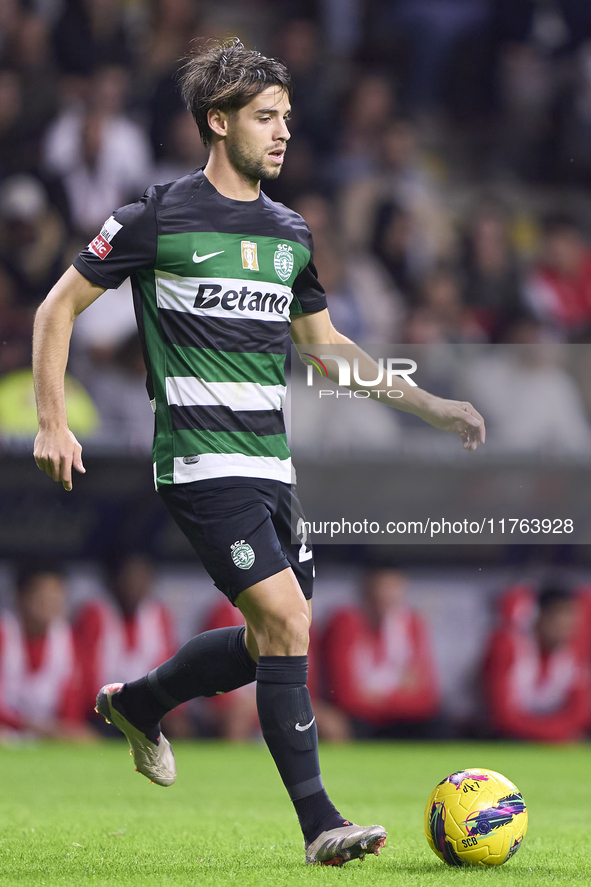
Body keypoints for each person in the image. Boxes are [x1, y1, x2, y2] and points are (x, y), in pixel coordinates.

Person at [31, 39, 485, 867]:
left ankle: (138, 701)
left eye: (286, 118)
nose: (282, 133)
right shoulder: (154, 217)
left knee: (271, 638)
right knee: (286, 619)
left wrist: (430, 404)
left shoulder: (289, 231)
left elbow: (326, 347)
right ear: (217, 121)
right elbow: (55, 310)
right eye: (265, 117)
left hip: (272, 467)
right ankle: (319, 823)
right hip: (199, 462)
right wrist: (52, 421)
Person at [323, 569, 441, 738]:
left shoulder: (412, 624)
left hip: (404, 719)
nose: (384, 609)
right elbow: (345, 697)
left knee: (438, 725)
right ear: (365, 597)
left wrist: (374, 694)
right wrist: (400, 688)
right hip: (359, 719)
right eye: (378, 600)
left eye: (392, 601)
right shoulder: (343, 625)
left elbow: (427, 697)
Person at [74, 552, 177, 721]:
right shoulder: (94, 614)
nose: (134, 585)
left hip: (150, 711)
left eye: (142, 578)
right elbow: (86, 680)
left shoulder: (159, 615)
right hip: (104, 713)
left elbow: (170, 671)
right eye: (128, 577)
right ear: (113, 580)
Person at [482, 585, 591, 743]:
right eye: (558, 620)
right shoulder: (507, 645)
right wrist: (554, 735)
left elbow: (579, 715)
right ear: (539, 617)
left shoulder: (573, 652)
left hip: (544, 732)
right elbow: (501, 717)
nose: (566, 630)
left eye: (571, 622)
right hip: (502, 737)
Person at [0, 562, 89, 740]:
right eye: (42, 595)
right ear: (21, 596)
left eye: (56, 595)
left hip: (50, 734)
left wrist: (63, 729)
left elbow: (73, 702)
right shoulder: (4, 633)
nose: (50, 603)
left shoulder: (67, 639)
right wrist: (26, 724)